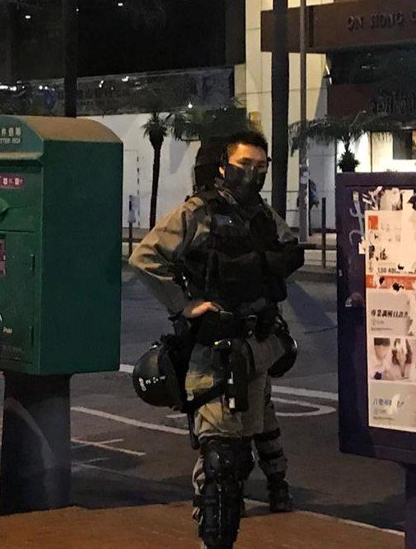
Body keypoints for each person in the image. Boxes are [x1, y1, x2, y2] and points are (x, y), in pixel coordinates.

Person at [131, 130, 304, 549]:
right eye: (244, 165)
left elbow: (288, 250)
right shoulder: (199, 212)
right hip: (216, 353)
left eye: (260, 167)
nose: (252, 174)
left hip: (256, 349)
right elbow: (145, 257)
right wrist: (186, 305)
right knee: (222, 463)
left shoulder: (262, 215)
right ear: (223, 165)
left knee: (244, 451)